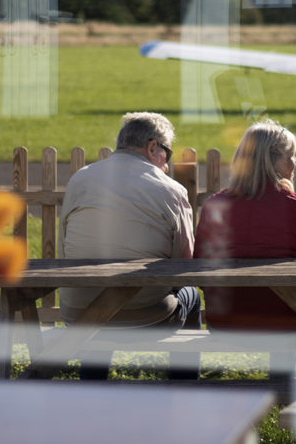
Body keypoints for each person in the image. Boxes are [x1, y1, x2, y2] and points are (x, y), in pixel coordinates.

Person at [193, 118, 296, 376]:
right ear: (271, 161)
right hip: (290, 324)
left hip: (226, 323)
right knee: (290, 309)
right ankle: (281, 389)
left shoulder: (215, 206)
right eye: (291, 156)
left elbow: (201, 269)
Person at [58, 111, 200, 378]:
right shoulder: (171, 190)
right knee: (192, 295)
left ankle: (92, 386)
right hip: (146, 317)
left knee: (99, 300)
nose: (167, 166)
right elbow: (184, 265)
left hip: (78, 314)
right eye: (167, 154)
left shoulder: (80, 179)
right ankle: (185, 388)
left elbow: (63, 246)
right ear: (152, 147)